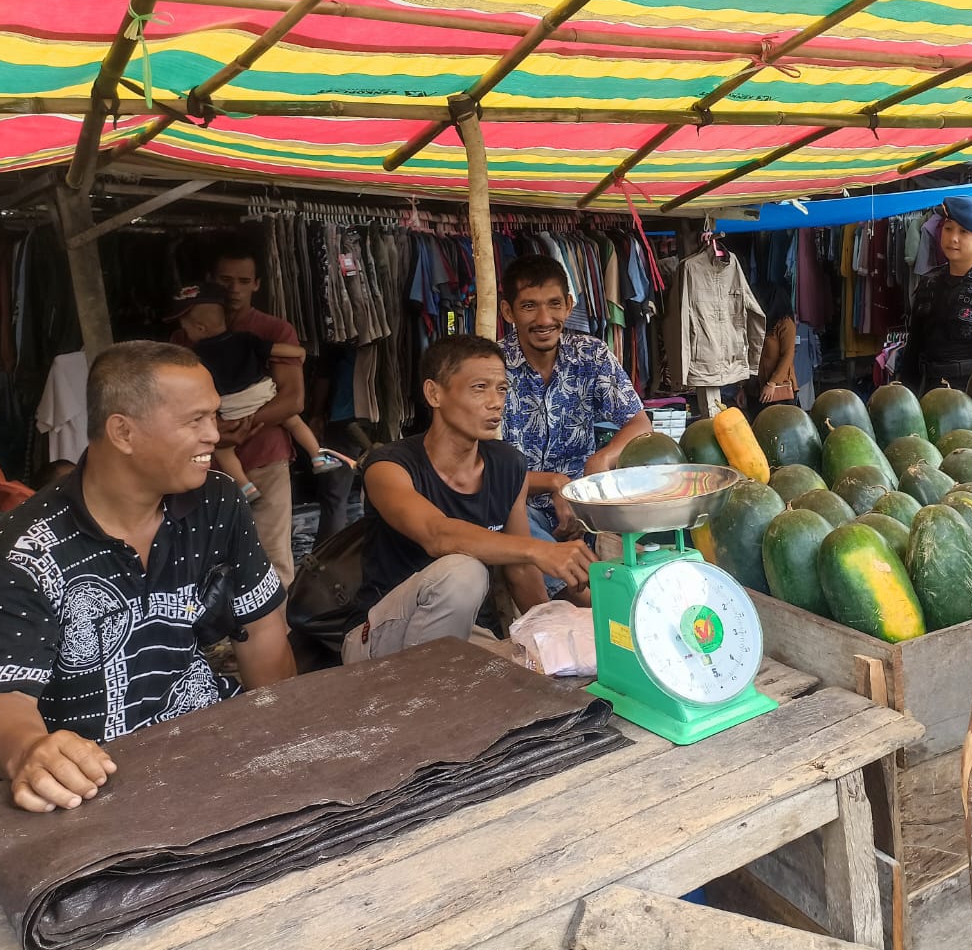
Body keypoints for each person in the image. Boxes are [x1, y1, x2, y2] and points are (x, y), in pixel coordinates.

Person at [0, 341, 295, 814]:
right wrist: (29, 751)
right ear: (123, 432)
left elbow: (262, 634)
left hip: (207, 738)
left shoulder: (218, 501)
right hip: (94, 783)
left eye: (214, 416)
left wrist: (290, 740)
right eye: (194, 420)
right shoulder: (22, 552)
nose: (213, 435)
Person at [343, 336, 596, 662]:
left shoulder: (509, 465)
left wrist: (551, 633)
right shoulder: (389, 467)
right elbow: (438, 534)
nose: (495, 402)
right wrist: (541, 549)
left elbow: (519, 572)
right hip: (379, 636)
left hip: (462, 631)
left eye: (502, 389)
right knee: (465, 570)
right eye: (479, 387)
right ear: (434, 393)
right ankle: (422, 700)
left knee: (533, 666)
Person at [171, 238, 304, 588]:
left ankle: (277, 637)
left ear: (257, 284)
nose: (235, 289)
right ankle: (223, 636)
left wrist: (238, 428)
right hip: (205, 461)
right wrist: (218, 432)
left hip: (265, 455)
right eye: (226, 280)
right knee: (211, 553)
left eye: (244, 281)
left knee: (272, 552)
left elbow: (292, 400)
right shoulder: (185, 335)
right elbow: (173, 403)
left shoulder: (273, 331)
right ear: (211, 279)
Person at [500, 254, 651, 553]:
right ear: (508, 312)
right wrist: (554, 482)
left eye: (554, 304)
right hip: (518, 510)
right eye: (529, 306)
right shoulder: (491, 367)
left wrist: (601, 459)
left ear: (569, 305)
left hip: (587, 510)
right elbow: (480, 469)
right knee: (516, 527)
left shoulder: (590, 354)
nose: (544, 319)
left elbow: (639, 422)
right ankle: (582, 590)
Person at [167, 282, 352, 501]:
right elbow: (277, 349)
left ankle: (245, 487)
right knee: (294, 422)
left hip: (230, 407)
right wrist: (300, 352)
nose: (184, 333)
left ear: (200, 328)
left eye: (185, 328)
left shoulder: (195, 355)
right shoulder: (244, 338)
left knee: (224, 452)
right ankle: (317, 456)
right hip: (261, 396)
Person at [899, 195, 972, 393]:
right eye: (948, 228)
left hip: (971, 394)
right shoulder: (929, 282)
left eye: (963, 232)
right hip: (928, 391)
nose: (953, 238)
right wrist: (906, 392)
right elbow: (913, 348)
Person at [749, 288, 800, 414]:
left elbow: (788, 355)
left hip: (778, 388)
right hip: (757, 388)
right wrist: (743, 387)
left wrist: (772, 383)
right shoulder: (761, 322)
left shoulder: (786, 324)